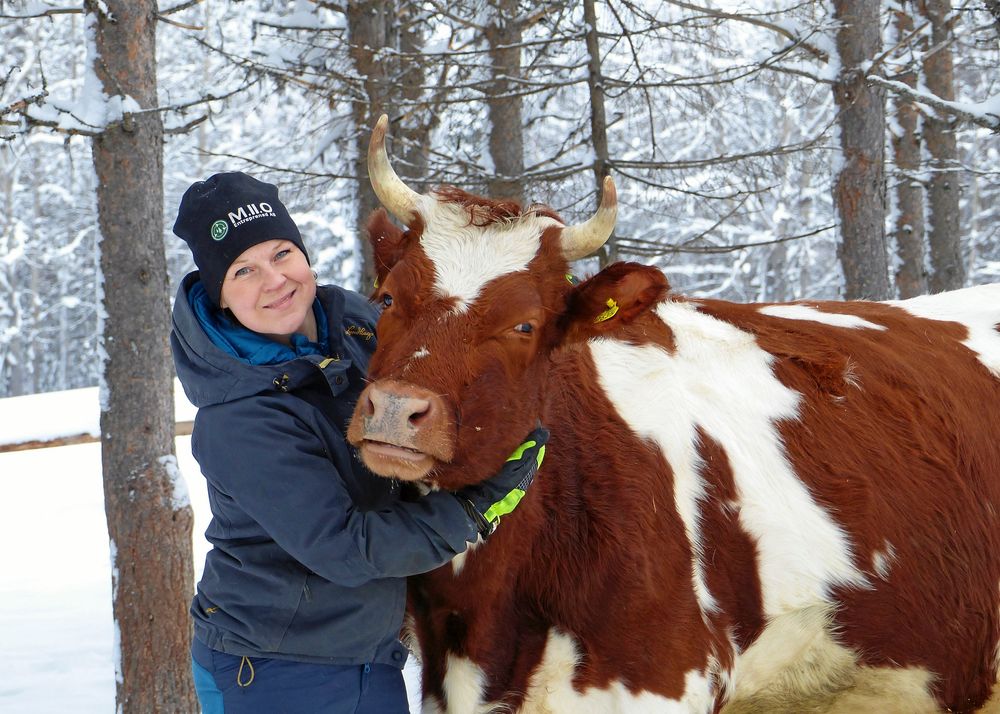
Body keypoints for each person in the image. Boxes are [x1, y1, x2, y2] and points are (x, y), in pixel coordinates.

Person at [170, 172, 547, 714]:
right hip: (275, 666)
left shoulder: (358, 325)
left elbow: (445, 359)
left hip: (365, 652)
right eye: (243, 271)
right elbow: (345, 548)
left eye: (282, 253)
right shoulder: (238, 420)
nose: (274, 280)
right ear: (221, 297)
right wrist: (475, 508)